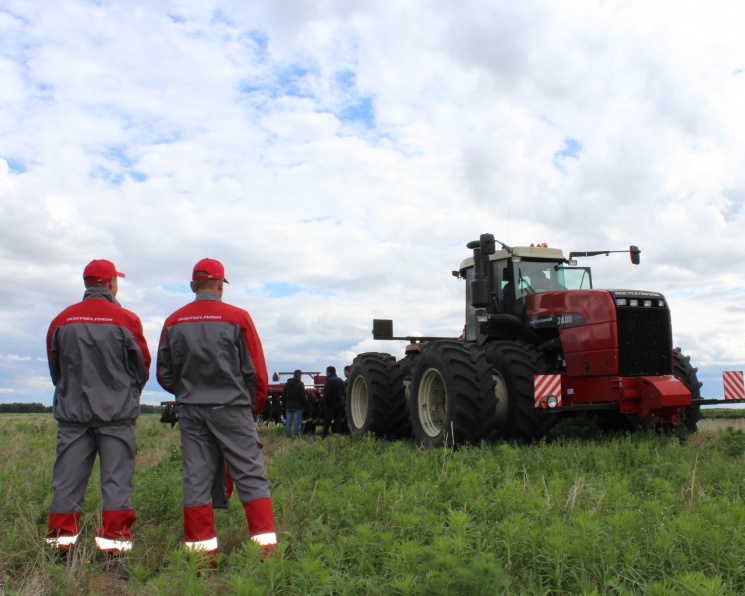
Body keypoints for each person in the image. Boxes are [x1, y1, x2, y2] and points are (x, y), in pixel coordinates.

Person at [156, 258, 276, 562]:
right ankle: (265, 554)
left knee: (195, 479)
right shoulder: (238, 318)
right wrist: (252, 408)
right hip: (233, 407)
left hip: (193, 410)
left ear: (193, 285)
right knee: (250, 475)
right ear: (221, 285)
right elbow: (257, 373)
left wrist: (188, 392)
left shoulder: (174, 321)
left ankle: (201, 558)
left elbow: (164, 374)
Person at [45, 259, 150, 554]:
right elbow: (141, 367)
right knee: (116, 485)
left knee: (66, 484)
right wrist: (127, 394)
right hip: (116, 416)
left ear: (87, 283)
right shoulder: (126, 319)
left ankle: (60, 549)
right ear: (110, 284)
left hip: (72, 416)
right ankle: (114, 551)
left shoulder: (62, 319)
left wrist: (69, 393)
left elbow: (56, 368)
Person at [321, 365, 346, 438]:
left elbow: (327, 393)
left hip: (332, 403)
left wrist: (325, 403)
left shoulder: (329, 381)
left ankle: (324, 436)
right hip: (341, 403)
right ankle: (337, 436)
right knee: (338, 421)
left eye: (326, 372)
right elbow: (344, 392)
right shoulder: (341, 380)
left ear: (329, 372)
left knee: (327, 421)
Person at [283, 370, 307, 438]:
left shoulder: (287, 384)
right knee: (297, 424)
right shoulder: (300, 384)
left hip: (288, 406)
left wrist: (284, 405)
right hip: (297, 406)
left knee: (288, 423)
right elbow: (303, 396)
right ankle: (297, 437)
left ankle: (287, 437)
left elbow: (284, 395)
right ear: (299, 375)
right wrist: (304, 405)